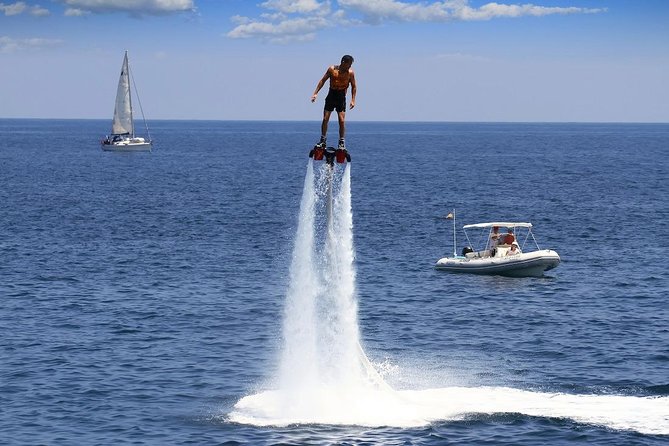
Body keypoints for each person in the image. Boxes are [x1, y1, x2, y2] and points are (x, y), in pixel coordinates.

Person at [311, 55, 356, 150]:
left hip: (341, 97)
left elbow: (354, 86)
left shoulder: (350, 73)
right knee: (325, 118)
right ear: (343, 62)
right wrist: (315, 93)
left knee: (342, 120)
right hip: (331, 95)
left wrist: (352, 100)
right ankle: (323, 140)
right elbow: (322, 80)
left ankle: (341, 142)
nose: (350, 66)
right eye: (349, 64)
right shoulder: (332, 69)